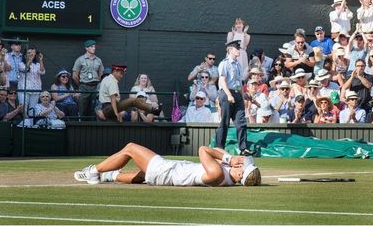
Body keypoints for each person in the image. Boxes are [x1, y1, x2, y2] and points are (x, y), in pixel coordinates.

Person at [74, 143, 260, 187]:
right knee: (141, 176)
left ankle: (93, 171)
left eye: (243, 164)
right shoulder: (224, 176)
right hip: (168, 173)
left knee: (130, 148)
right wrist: (228, 159)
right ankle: (108, 176)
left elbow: (203, 149)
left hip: (165, 170)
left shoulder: (218, 173)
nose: (241, 161)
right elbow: (217, 151)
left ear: (240, 172)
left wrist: (228, 159)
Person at [215, 40, 252, 155]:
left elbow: (240, 83)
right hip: (226, 94)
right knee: (224, 122)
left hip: (236, 94)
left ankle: (243, 148)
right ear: (230, 50)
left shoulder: (238, 64)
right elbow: (222, 80)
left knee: (241, 122)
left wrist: (241, 97)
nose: (239, 50)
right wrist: (229, 95)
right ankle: (219, 148)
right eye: (237, 48)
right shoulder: (224, 63)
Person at [72, 40, 104, 120]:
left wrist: (97, 83)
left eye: (94, 46)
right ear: (86, 48)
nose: (94, 48)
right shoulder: (80, 59)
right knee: (82, 108)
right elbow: (74, 75)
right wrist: (81, 85)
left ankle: (93, 128)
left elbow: (101, 75)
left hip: (95, 87)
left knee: (94, 108)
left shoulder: (98, 60)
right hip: (84, 86)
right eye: (91, 46)